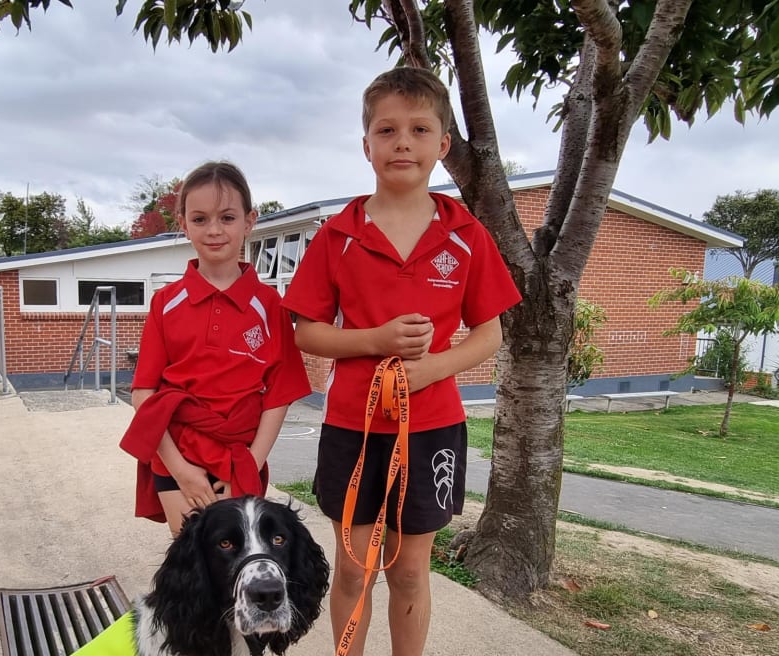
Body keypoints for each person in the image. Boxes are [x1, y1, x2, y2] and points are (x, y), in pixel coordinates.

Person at [282, 67, 522, 656]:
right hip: (352, 428)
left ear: (442, 146)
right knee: (352, 569)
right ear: (367, 145)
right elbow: (307, 332)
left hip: (432, 427)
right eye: (387, 130)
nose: (402, 142)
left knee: (411, 571)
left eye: (419, 129)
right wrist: (376, 340)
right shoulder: (337, 235)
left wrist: (432, 367)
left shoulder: (467, 235)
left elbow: (488, 335)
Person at [120, 160, 312, 536]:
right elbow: (145, 393)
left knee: (240, 571)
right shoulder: (166, 302)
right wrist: (181, 470)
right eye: (200, 219)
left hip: (239, 458)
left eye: (226, 217)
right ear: (183, 224)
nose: (214, 230)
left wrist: (251, 464)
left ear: (249, 221)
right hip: (178, 455)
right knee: (194, 570)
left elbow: (279, 394)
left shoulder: (269, 304)